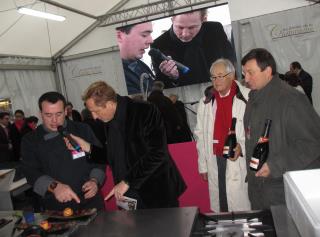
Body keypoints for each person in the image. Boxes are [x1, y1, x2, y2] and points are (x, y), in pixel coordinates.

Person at [72, 81, 186, 209]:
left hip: (155, 190)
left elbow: (157, 153)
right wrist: (87, 147)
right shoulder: (108, 118)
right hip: (127, 194)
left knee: (164, 228)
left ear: (109, 104)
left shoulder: (145, 110)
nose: (94, 117)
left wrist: (127, 182)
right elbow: (114, 156)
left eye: (96, 111)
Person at [242, 48, 320, 210]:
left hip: (282, 194)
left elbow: (312, 143)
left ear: (268, 71)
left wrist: (274, 165)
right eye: (244, 73)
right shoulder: (253, 99)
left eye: (250, 72)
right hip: (259, 192)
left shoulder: (291, 100)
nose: (246, 79)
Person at [21, 92, 105, 211]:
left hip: (90, 201)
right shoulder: (30, 140)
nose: (54, 120)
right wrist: (55, 187)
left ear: (66, 111)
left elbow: (99, 160)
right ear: (40, 114)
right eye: (48, 115)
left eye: (59, 114)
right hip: (56, 205)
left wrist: (95, 181)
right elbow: (31, 172)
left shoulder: (82, 129)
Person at [194, 58, 251, 212]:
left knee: (241, 206)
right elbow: (200, 135)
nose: (216, 80)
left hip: (238, 160)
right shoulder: (205, 101)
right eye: (213, 77)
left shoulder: (247, 98)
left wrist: (242, 148)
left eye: (220, 76)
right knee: (222, 205)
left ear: (231, 75)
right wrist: (203, 166)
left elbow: (255, 132)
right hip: (215, 159)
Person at [151, 9, 236, 88]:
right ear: (172, 19)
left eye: (192, 27)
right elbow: (162, 87)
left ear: (203, 20)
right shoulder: (158, 45)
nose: (185, 34)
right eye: (180, 27)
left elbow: (231, 61)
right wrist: (174, 78)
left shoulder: (215, 29)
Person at [117, 22, 155, 95]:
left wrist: (167, 76)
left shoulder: (139, 64)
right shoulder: (117, 76)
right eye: (144, 35)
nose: (151, 41)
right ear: (119, 36)